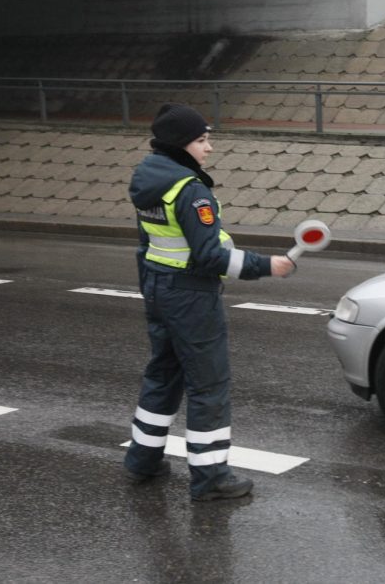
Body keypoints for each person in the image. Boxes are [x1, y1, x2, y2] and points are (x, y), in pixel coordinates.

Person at [123, 103, 295, 502]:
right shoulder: (189, 189)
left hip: (159, 289)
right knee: (209, 385)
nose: (209, 148)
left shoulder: (147, 177)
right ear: (181, 145)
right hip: (191, 296)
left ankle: (142, 461)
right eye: (202, 140)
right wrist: (267, 266)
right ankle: (210, 477)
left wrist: (151, 289)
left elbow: (148, 245)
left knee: (162, 376)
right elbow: (210, 257)